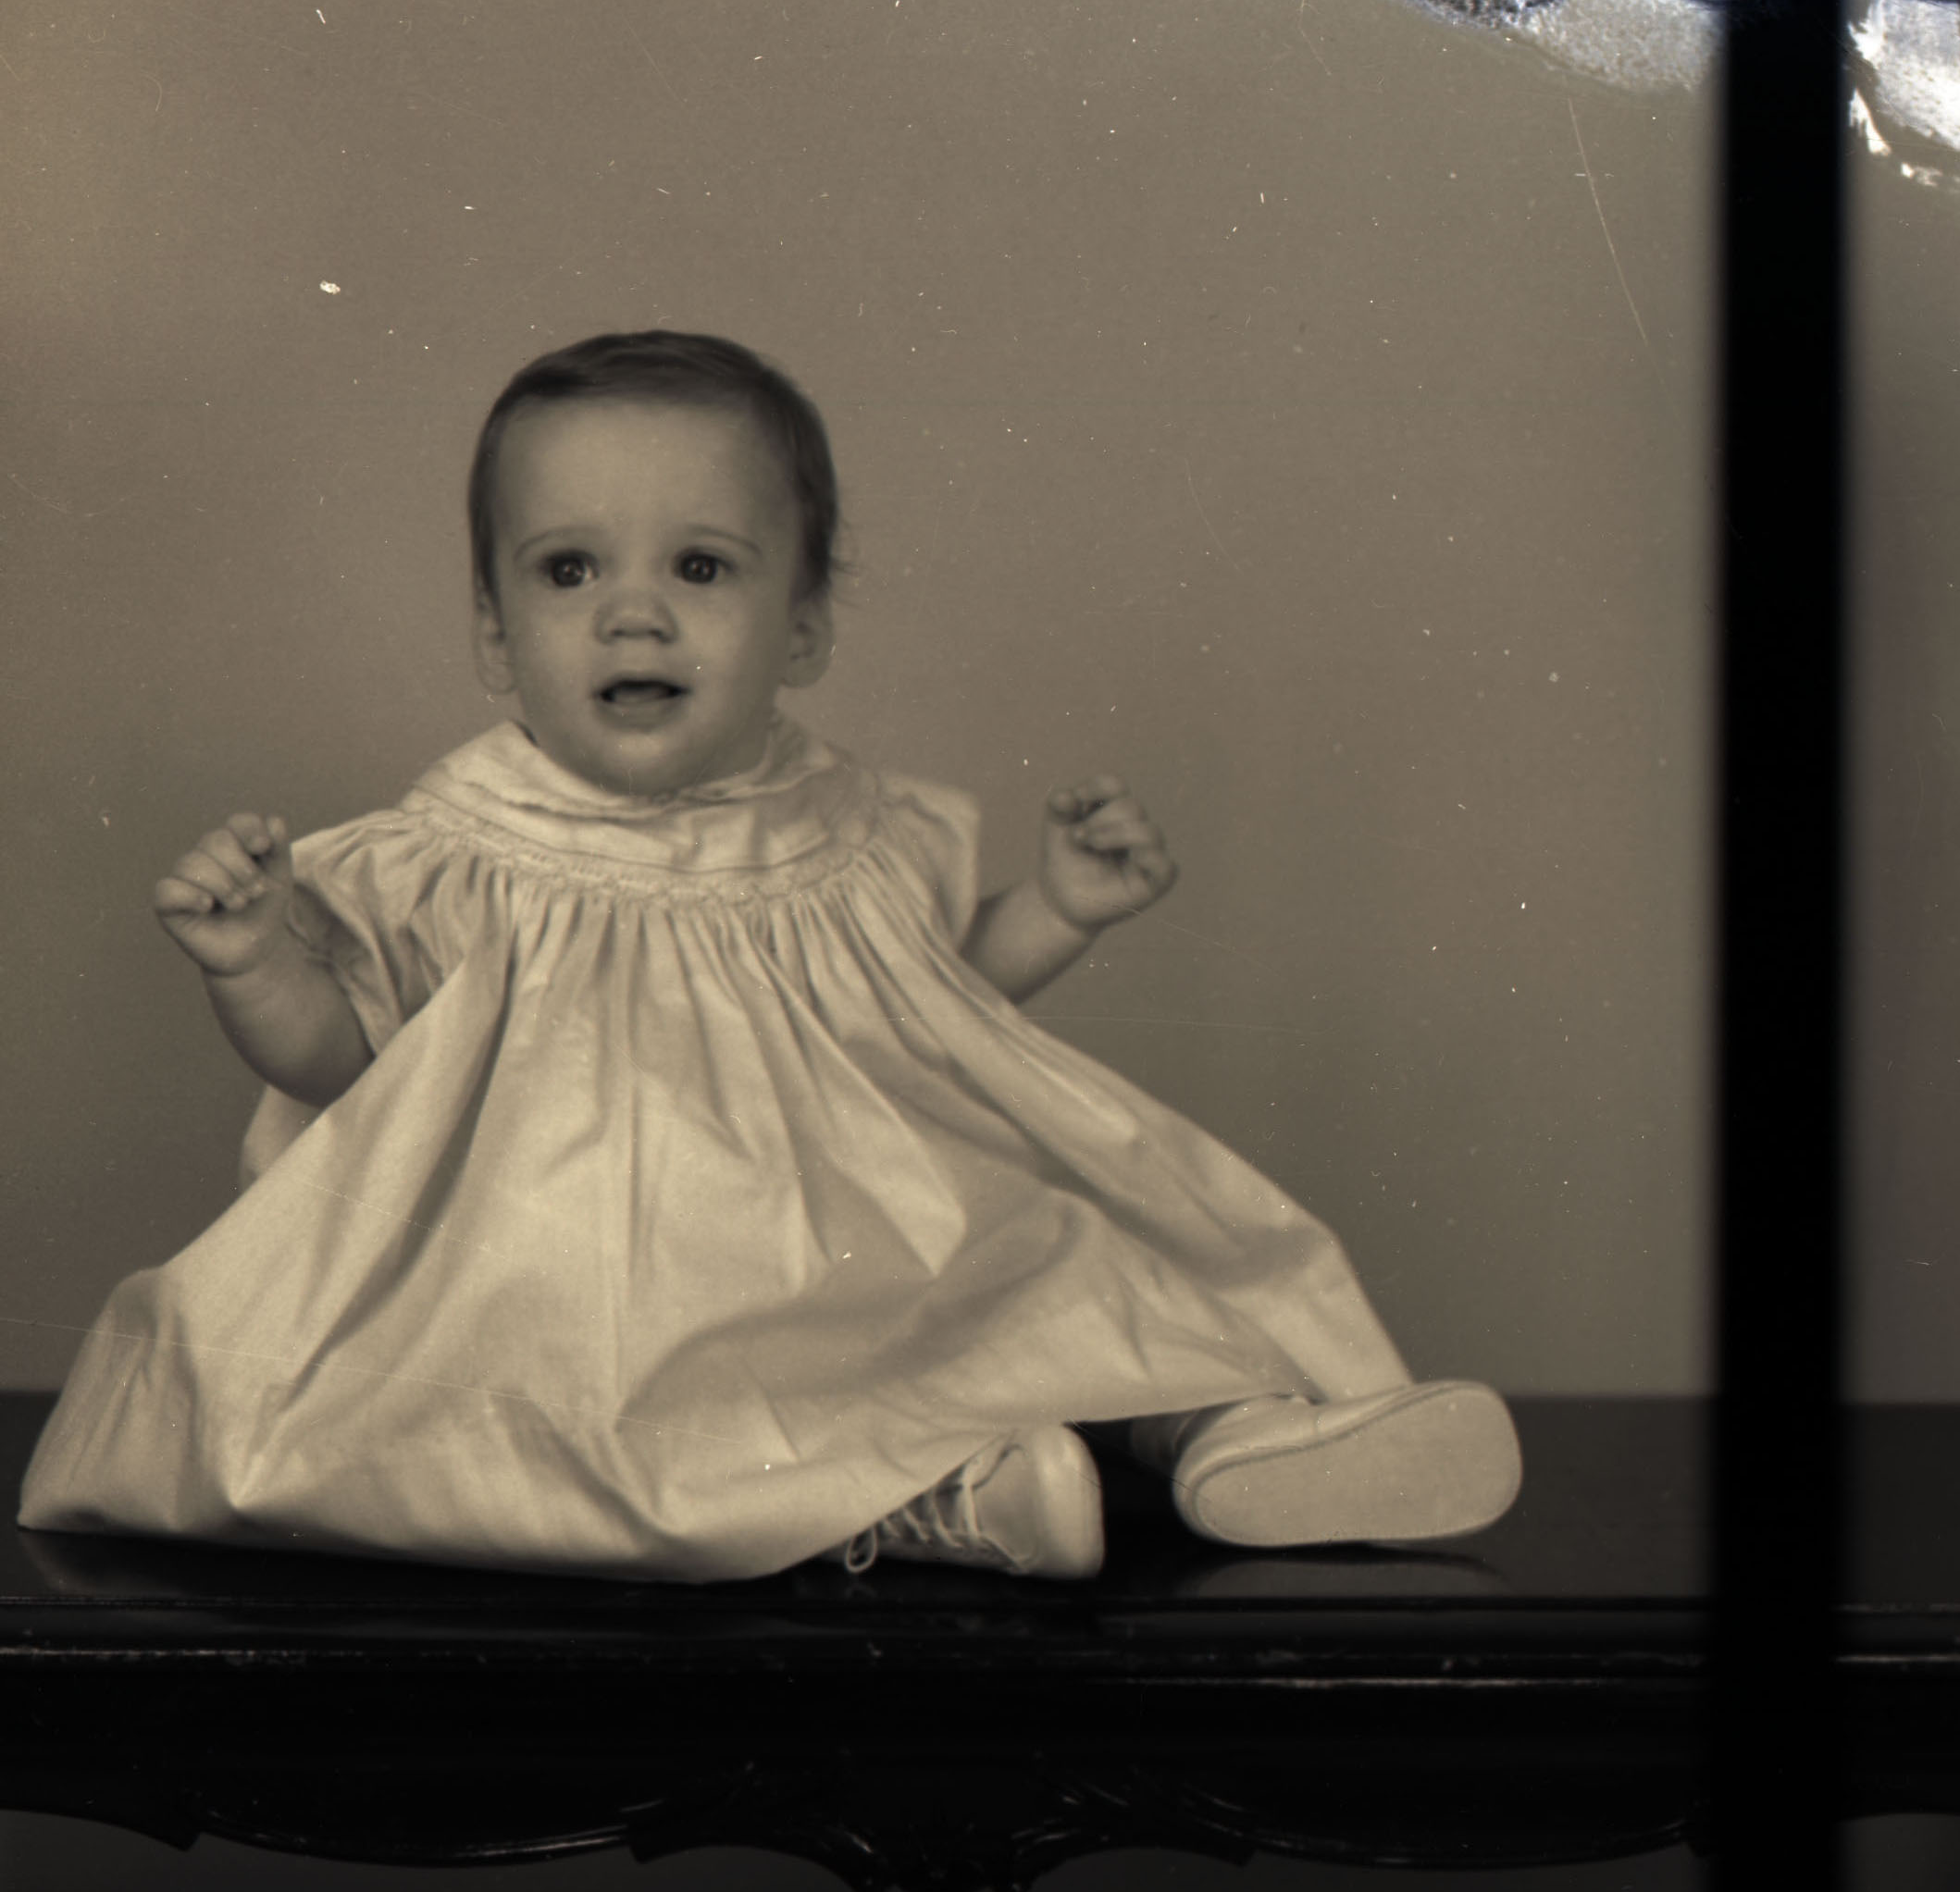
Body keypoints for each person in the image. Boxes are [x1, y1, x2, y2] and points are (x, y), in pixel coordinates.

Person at [19, 330, 1519, 1583]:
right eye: (567, 571)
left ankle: (1227, 1435)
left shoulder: (844, 825)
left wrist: (1055, 911)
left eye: (702, 567)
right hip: (573, 1278)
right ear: (493, 634)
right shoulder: (449, 856)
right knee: (592, 1427)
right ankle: (945, 1497)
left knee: (1064, 1255)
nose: (633, 614)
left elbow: (936, 1013)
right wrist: (254, 967)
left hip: (860, 1245)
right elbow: (346, 1064)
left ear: (799, 629)